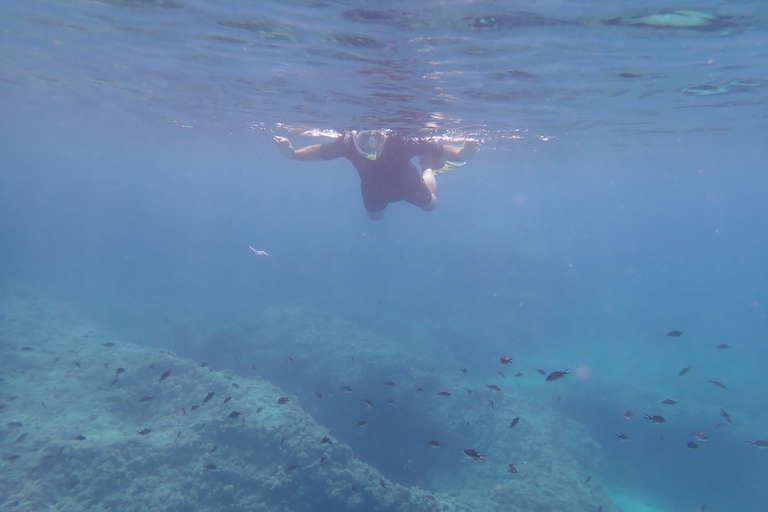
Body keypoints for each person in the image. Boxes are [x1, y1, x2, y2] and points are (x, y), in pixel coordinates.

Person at [274, 130, 479, 220]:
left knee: (432, 206)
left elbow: (440, 150)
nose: (372, 145)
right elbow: (318, 152)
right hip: (374, 189)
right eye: (365, 138)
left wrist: (463, 154)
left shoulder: (401, 140)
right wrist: (291, 154)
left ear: (386, 135)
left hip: (408, 182)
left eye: (379, 137)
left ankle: (427, 168)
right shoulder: (347, 143)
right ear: (355, 136)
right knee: (374, 218)